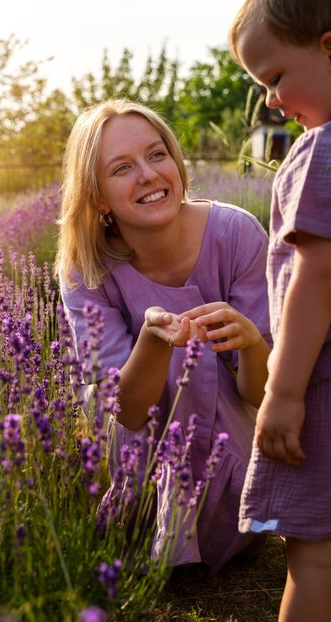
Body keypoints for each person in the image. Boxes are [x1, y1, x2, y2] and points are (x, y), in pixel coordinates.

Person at [54, 98, 271, 575]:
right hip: (142, 436)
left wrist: (253, 343)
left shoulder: (236, 235)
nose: (149, 175)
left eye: (157, 154)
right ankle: (152, 520)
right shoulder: (87, 270)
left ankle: (224, 519)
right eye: (123, 167)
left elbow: (262, 394)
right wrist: (152, 341)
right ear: (98, 198)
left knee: (204, 364)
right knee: (175, 362)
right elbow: (128, 412)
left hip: (229, 429)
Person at [230, 0, 331, 620]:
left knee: (314, 556)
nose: (270, 99)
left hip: (318, 386)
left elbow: (317, 277)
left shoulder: (322, 149)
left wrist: (283, 392)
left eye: (273, 77)